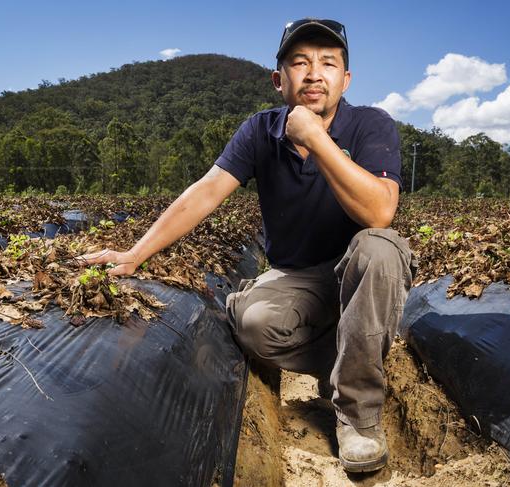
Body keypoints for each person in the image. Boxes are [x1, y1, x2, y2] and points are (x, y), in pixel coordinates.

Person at [79, 18, 415, 473]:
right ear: (279, 81)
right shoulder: (260, 131)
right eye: (300, 63)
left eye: (328, 63)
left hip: (358, 270)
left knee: (379, 246)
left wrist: (316, 139)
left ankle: (358, 417)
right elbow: (206, 191)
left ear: (345, 79)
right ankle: (353, 356)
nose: (314, 74)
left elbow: (379, 212)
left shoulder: (370, 125)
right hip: (296, 276)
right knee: (254, 325)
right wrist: (134, 253)